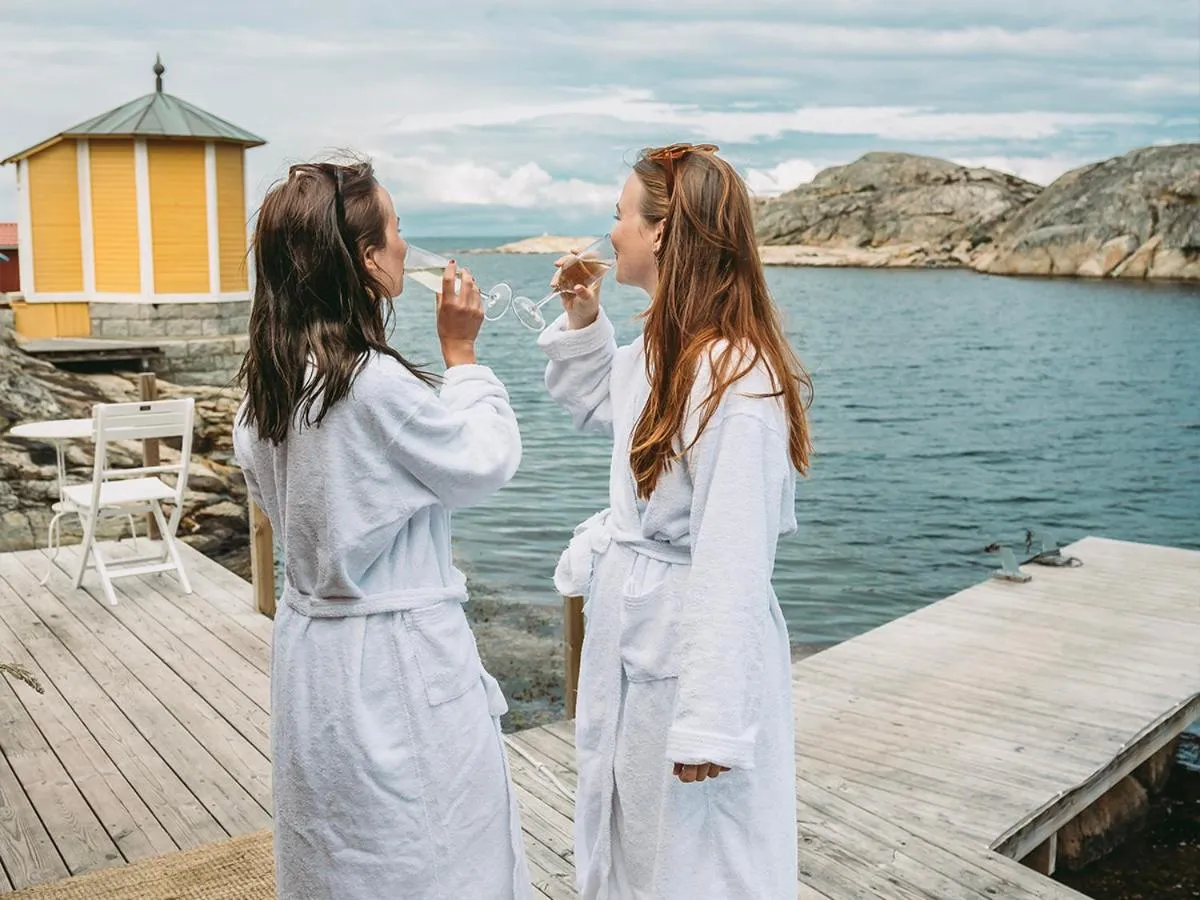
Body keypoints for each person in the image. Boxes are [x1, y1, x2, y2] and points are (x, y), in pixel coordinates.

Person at [233, 158, 531, 900]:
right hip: (396, 660)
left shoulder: (270, 384)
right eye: (396, 230)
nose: (406, 243)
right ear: (366, 261)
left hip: (315, 655)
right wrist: (462, 358)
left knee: (338, 849)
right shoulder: (371, 384)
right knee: (433, 853)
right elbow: (483, 461)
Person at [538, 142, 811, 899]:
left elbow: (733, 558)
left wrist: (711, 723)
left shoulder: (737, 377)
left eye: (620, 214)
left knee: (703, 859)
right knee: (639, 842)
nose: (611, 230)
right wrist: (585, 317)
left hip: (693, 652)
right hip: (645, 637)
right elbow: (604, 408)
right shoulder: (664, 348)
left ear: (662, 231)